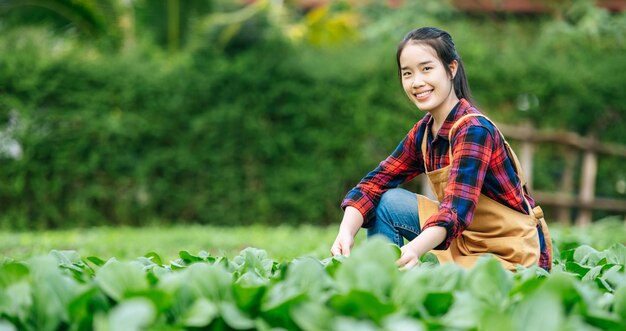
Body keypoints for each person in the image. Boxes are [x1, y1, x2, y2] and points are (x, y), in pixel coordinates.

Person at [330, 27, 552, 272]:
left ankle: (397, 279)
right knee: (386, 201)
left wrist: (414, 249)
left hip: (506, 255)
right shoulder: (424, 133)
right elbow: (375, 182)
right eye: (407, 73)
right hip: (462, 240)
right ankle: (385, 287)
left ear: (451, 69)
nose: (417, 82)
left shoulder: (474, 130)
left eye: (427, 69)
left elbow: (455, 210)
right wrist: (345, 232)